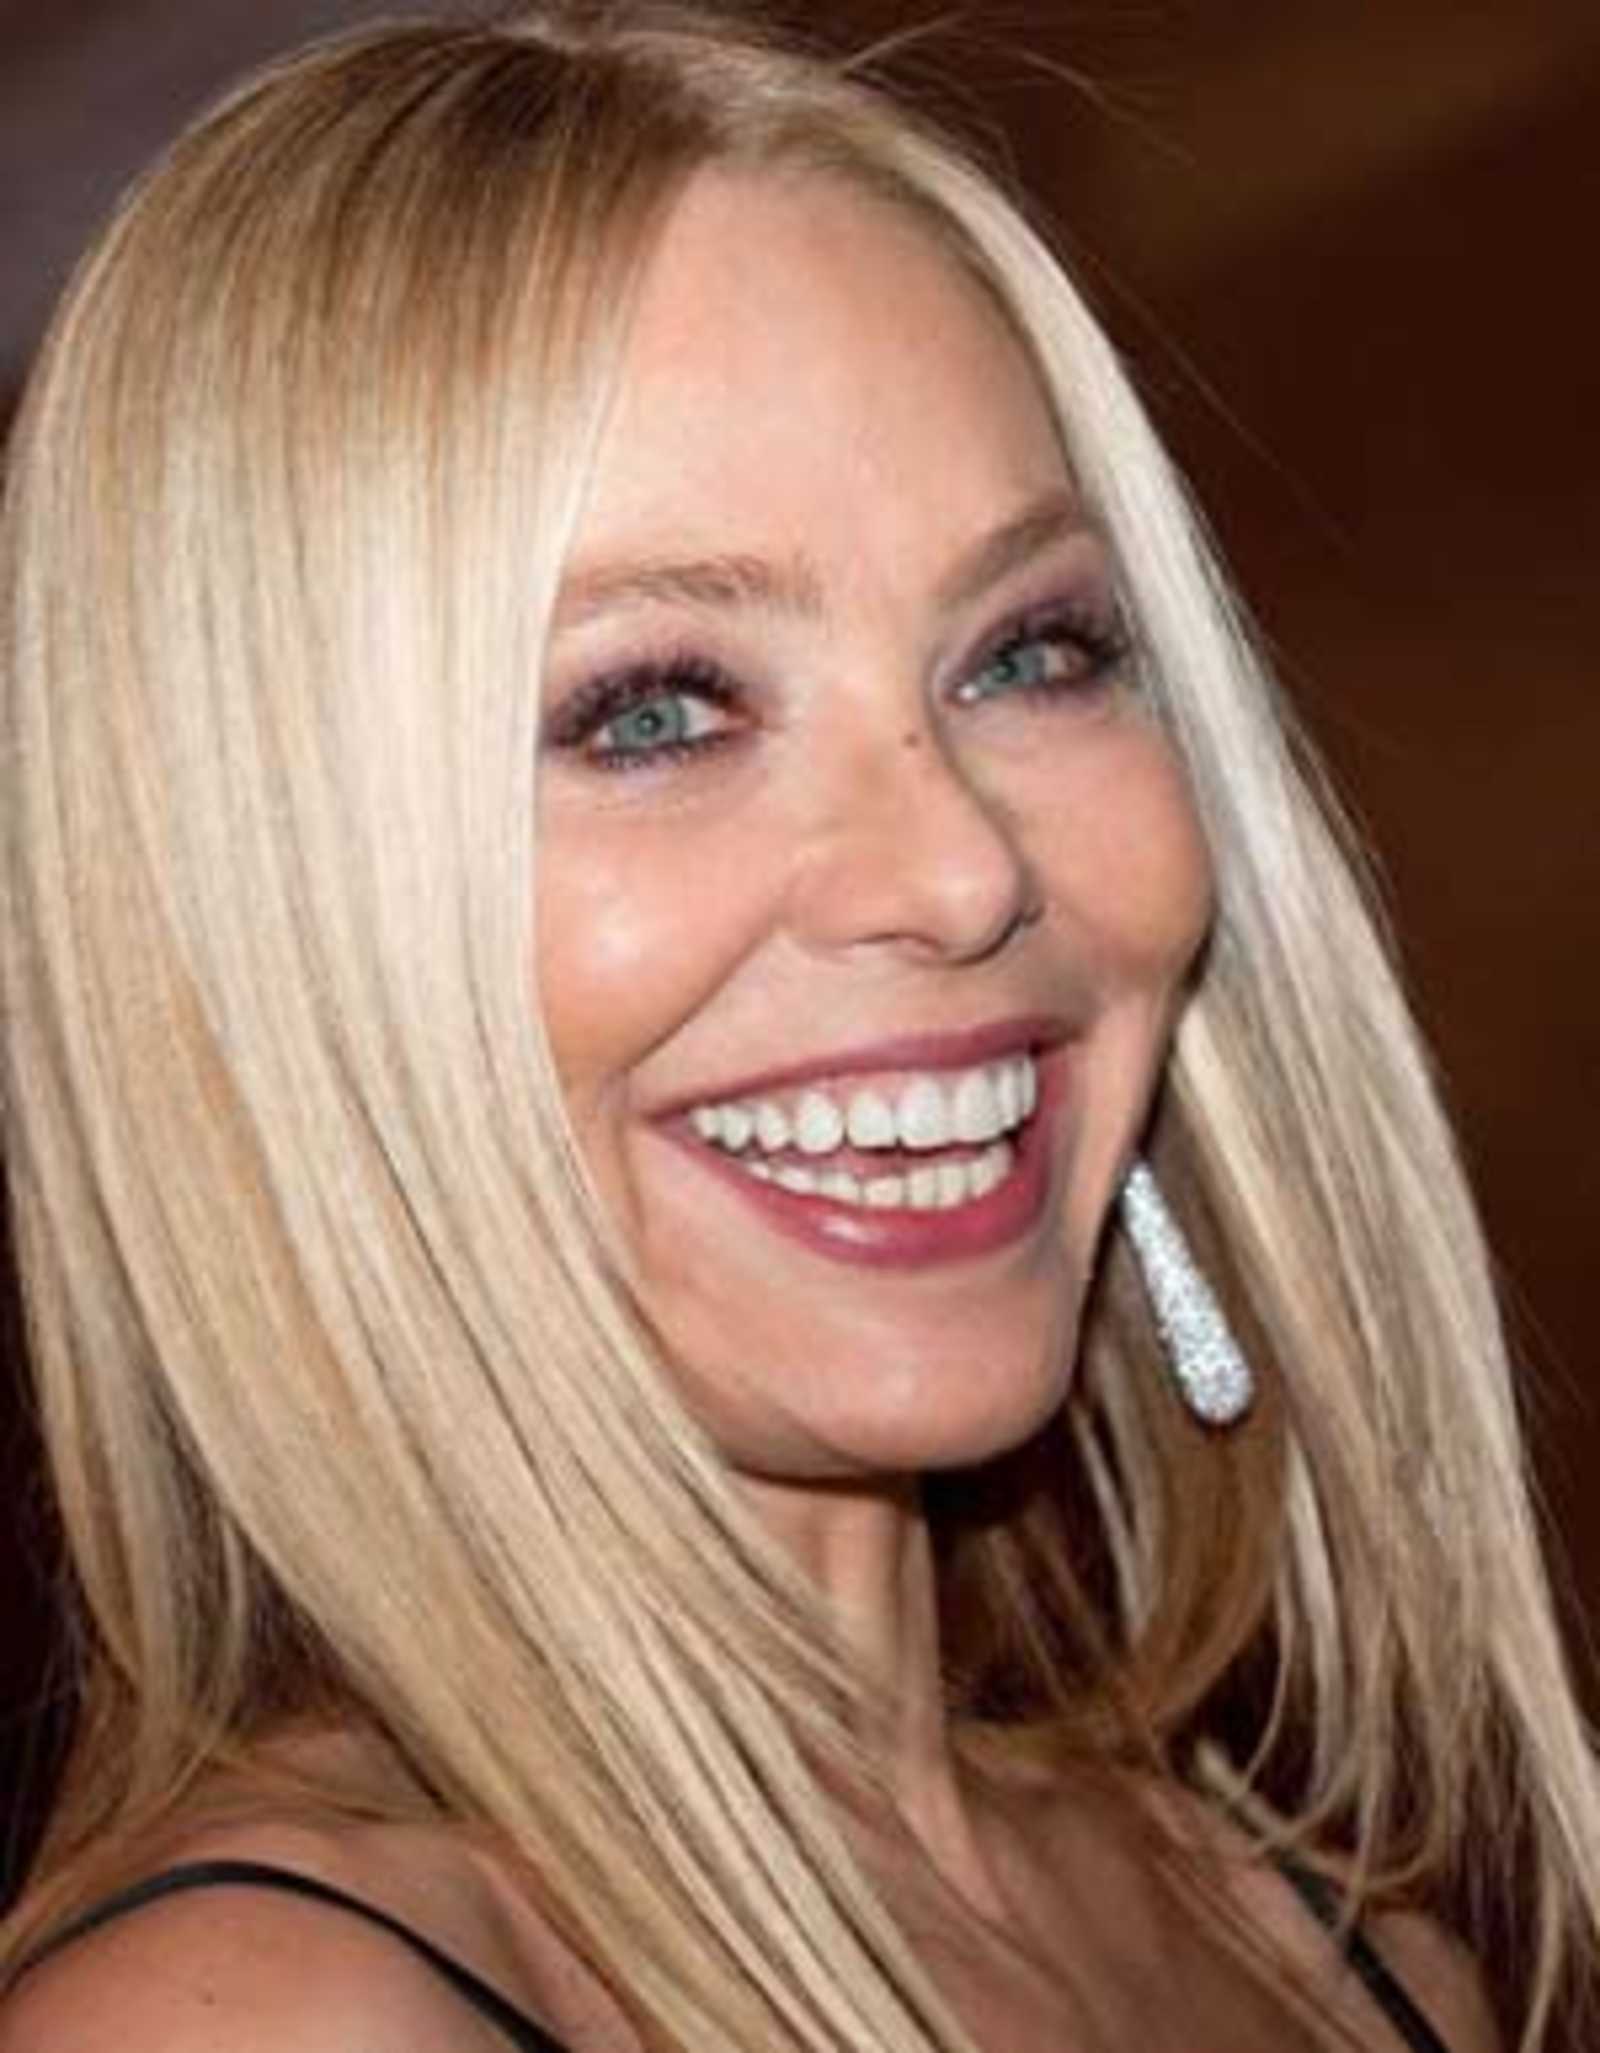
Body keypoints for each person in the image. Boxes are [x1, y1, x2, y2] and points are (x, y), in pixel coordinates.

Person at [0, 6, 1594, 2048]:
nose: (959, 867)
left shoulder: (1346, 1953)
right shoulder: (268, 2017)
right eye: (653, 707)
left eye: (1031, 650)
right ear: (256, 915)